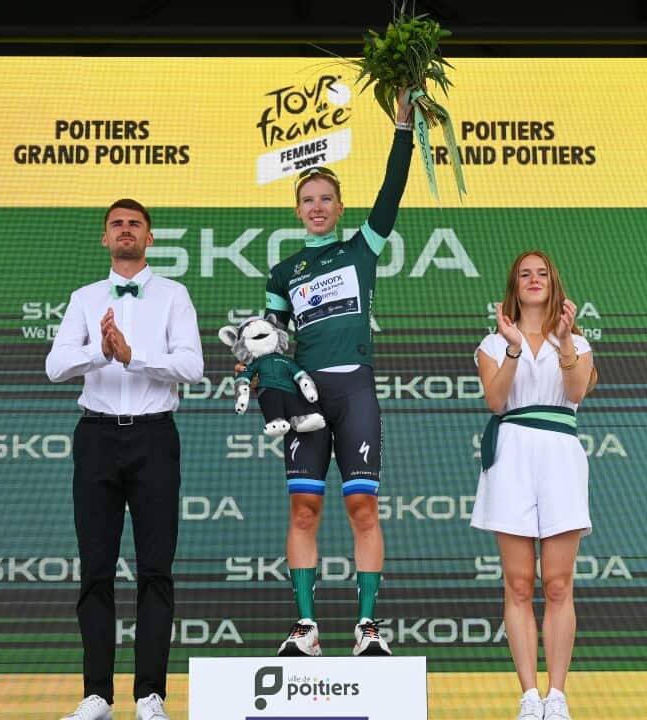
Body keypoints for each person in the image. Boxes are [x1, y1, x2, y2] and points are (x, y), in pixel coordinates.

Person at [260, 86, 414, 658]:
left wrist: (403, 129)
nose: (318, 206)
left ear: (341, 207)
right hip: (307, 397)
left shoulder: (361, 249)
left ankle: (367, 627)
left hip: (354, 388)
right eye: (308, 200)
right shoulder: (283, 273)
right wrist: (259, 366)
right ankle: (306, 628)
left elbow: (391, 190)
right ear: (298, 210)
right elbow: (273, 341)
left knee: (362, 507)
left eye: (327, 198)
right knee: (304, 509)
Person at [46, 198, 204, 720]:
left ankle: (150, 696)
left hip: (155, 438)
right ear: (105, 238)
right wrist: (102, 352)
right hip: (96, 437)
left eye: (135, 223)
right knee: (95, 569)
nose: (126, 230)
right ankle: (97, 696)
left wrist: (134, 357)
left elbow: (193, 366)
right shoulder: (85, 297)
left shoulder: (174, 295)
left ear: (150, 237)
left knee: (155, 570)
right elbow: (55, 365)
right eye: (116, 224)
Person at [471, 251, 595, 720]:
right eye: (525, 274)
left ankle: (557, 695)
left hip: (561, 457)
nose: (534, 279)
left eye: (542, 273)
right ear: (514, 285)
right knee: (519, 584)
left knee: (558, 583)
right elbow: (496, 400)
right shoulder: (492, 342)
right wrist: (513, 348)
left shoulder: (577, 342)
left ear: (553, 282)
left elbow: (576, 391)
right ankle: (529, 695)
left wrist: (563, 342)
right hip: (512, 457)